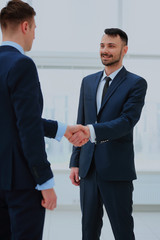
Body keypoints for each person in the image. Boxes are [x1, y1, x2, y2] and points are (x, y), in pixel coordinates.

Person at [0, 1, 88, 239]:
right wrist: (45, 182)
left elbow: (11, 121)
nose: (35, 35)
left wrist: (62, 129)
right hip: (19, 184)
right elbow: (27, 128)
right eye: (36, 28)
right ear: (26, 26)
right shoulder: (22, 64)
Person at [69, 28, 147, 240]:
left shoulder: (136, 83)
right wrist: (75, 162)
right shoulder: (88, 82)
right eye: (102, 45)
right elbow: (81, 122)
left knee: (122, 231)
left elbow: (126, 122)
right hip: (88, 169)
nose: (105, 50)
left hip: (116, 170)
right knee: (88, 232)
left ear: (125, 50)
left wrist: (92, 131)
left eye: (111, 46)